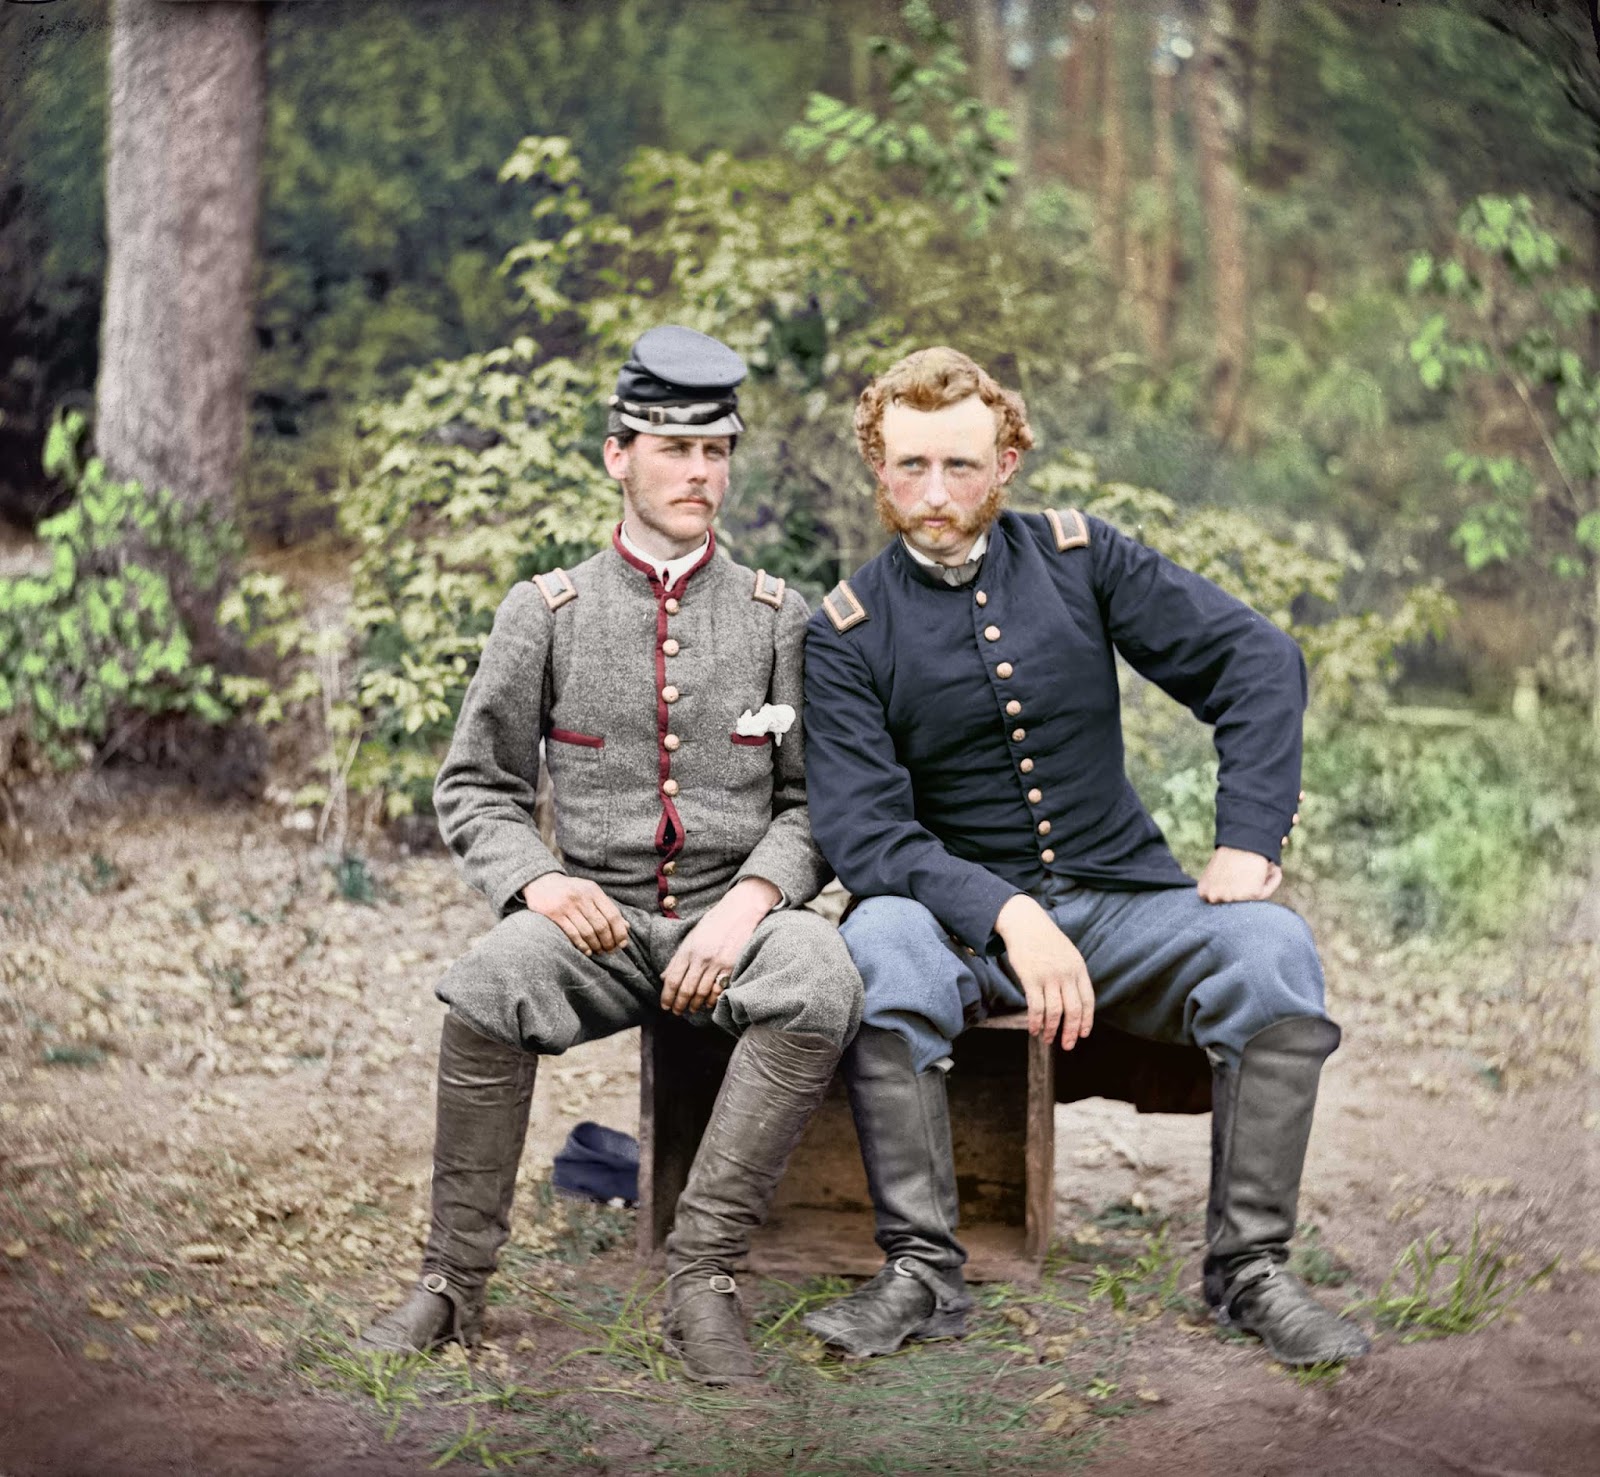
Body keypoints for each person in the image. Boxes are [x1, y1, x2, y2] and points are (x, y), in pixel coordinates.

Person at [799, 346, 1369, 1369]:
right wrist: (1009, 915)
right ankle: (922, 1272)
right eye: (911, 466)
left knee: (1269, 948)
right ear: (877, 469)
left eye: (961, 466)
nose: (935, 493)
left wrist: (1247, 834)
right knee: (878, 939)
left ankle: (1250, 1273)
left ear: (1008, 459)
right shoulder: (845, 630)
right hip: (957, 927)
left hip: (1119, 905)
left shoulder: (1078, 557)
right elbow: (867, 834)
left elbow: (1256, 659)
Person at [358, 326, 863, 1385]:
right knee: (487, 984)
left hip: (737, 921)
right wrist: (539, 881)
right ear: (615, 456)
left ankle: (702, 1276)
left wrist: (753, 903)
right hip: (600, 926)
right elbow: (476, 787)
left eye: (716, 451)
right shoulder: (547, 613)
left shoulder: (780, 617)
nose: (698, 473)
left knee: (821, 976)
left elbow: (818, 802)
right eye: (673, 448)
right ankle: (453, 1281)